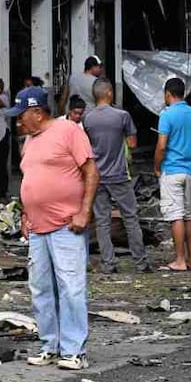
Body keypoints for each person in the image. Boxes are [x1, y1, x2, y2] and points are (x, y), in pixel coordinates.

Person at [6, 85, 99, 371]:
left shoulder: (68, 130)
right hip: (37, 228)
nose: (18, 121)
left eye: (22, 115)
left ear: (37, 111)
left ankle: (74, 351)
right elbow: (31, 180)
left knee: (70, 287)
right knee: (41, 289)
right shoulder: (30, 141)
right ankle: (50, 345)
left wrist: (84, 211)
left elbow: (91, 171)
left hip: (66, 225)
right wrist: (25, 213)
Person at [82, 78, 149, 274]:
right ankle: (140, 263)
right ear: (109, 93)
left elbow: (85, 147)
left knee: (102, 221)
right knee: (130, 218)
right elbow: (133, 143)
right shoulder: (122, 116)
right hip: (119, 175)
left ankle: (109, 264)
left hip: (97, 177)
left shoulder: (87, 118)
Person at [155, 77, 191, 271]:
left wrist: (157, 167)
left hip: (172, 170)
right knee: (188, 215)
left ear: (168, 94)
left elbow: (161, 146)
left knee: (175, 215)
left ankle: (179, 260)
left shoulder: (166, 115)